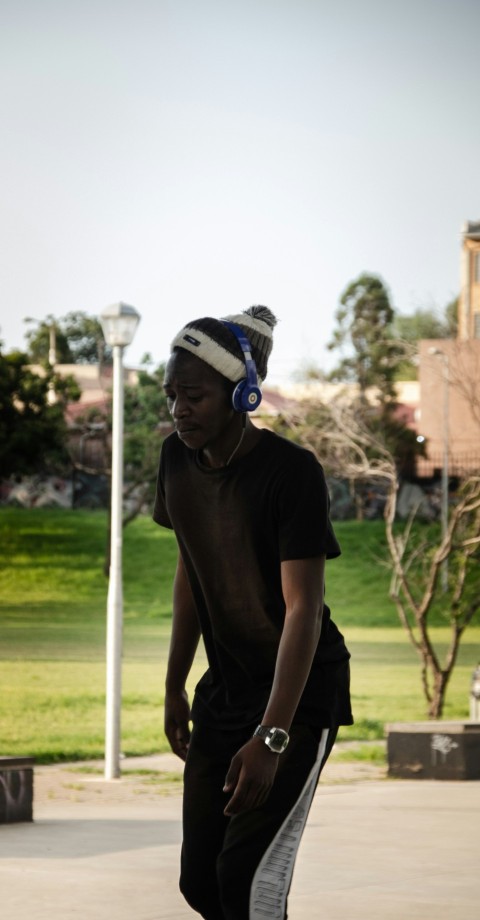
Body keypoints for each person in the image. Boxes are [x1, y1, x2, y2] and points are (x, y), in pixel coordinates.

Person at [153, 305, 352, 920]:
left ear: (242, 394)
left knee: (247, 883)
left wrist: (272, 738)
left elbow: (303, 611)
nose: (180, 409)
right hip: (225, 692)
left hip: (298, 695)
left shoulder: (291, 473)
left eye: (195, 396)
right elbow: (192, 569)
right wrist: (173, 685)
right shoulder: (176, 461)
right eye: (172, 396)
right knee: (201, 885)